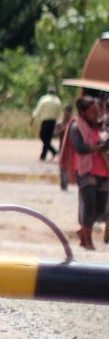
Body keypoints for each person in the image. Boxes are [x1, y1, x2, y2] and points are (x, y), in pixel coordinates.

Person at [66, 96, 109, 250]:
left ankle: (83, 231)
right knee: (89, 205)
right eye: (93, 112)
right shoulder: (76, 126)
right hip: (86, 171)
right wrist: (99, 147)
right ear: (83, 112)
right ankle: (88, 241)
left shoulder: (101, 127)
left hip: (103, 172)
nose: (96, 114)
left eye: (98, 111)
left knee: (101, 208)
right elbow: (80, 148)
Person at [33, 87, 64, 161]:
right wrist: (59, 122)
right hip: (53, 122)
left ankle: (48, 153)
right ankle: (46, 154)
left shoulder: (44, 99)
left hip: (46, 121)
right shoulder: (57, 101)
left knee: (43, 137)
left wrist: (33, 118)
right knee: (48, 139)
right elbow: (59, 113)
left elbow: (38, 109)